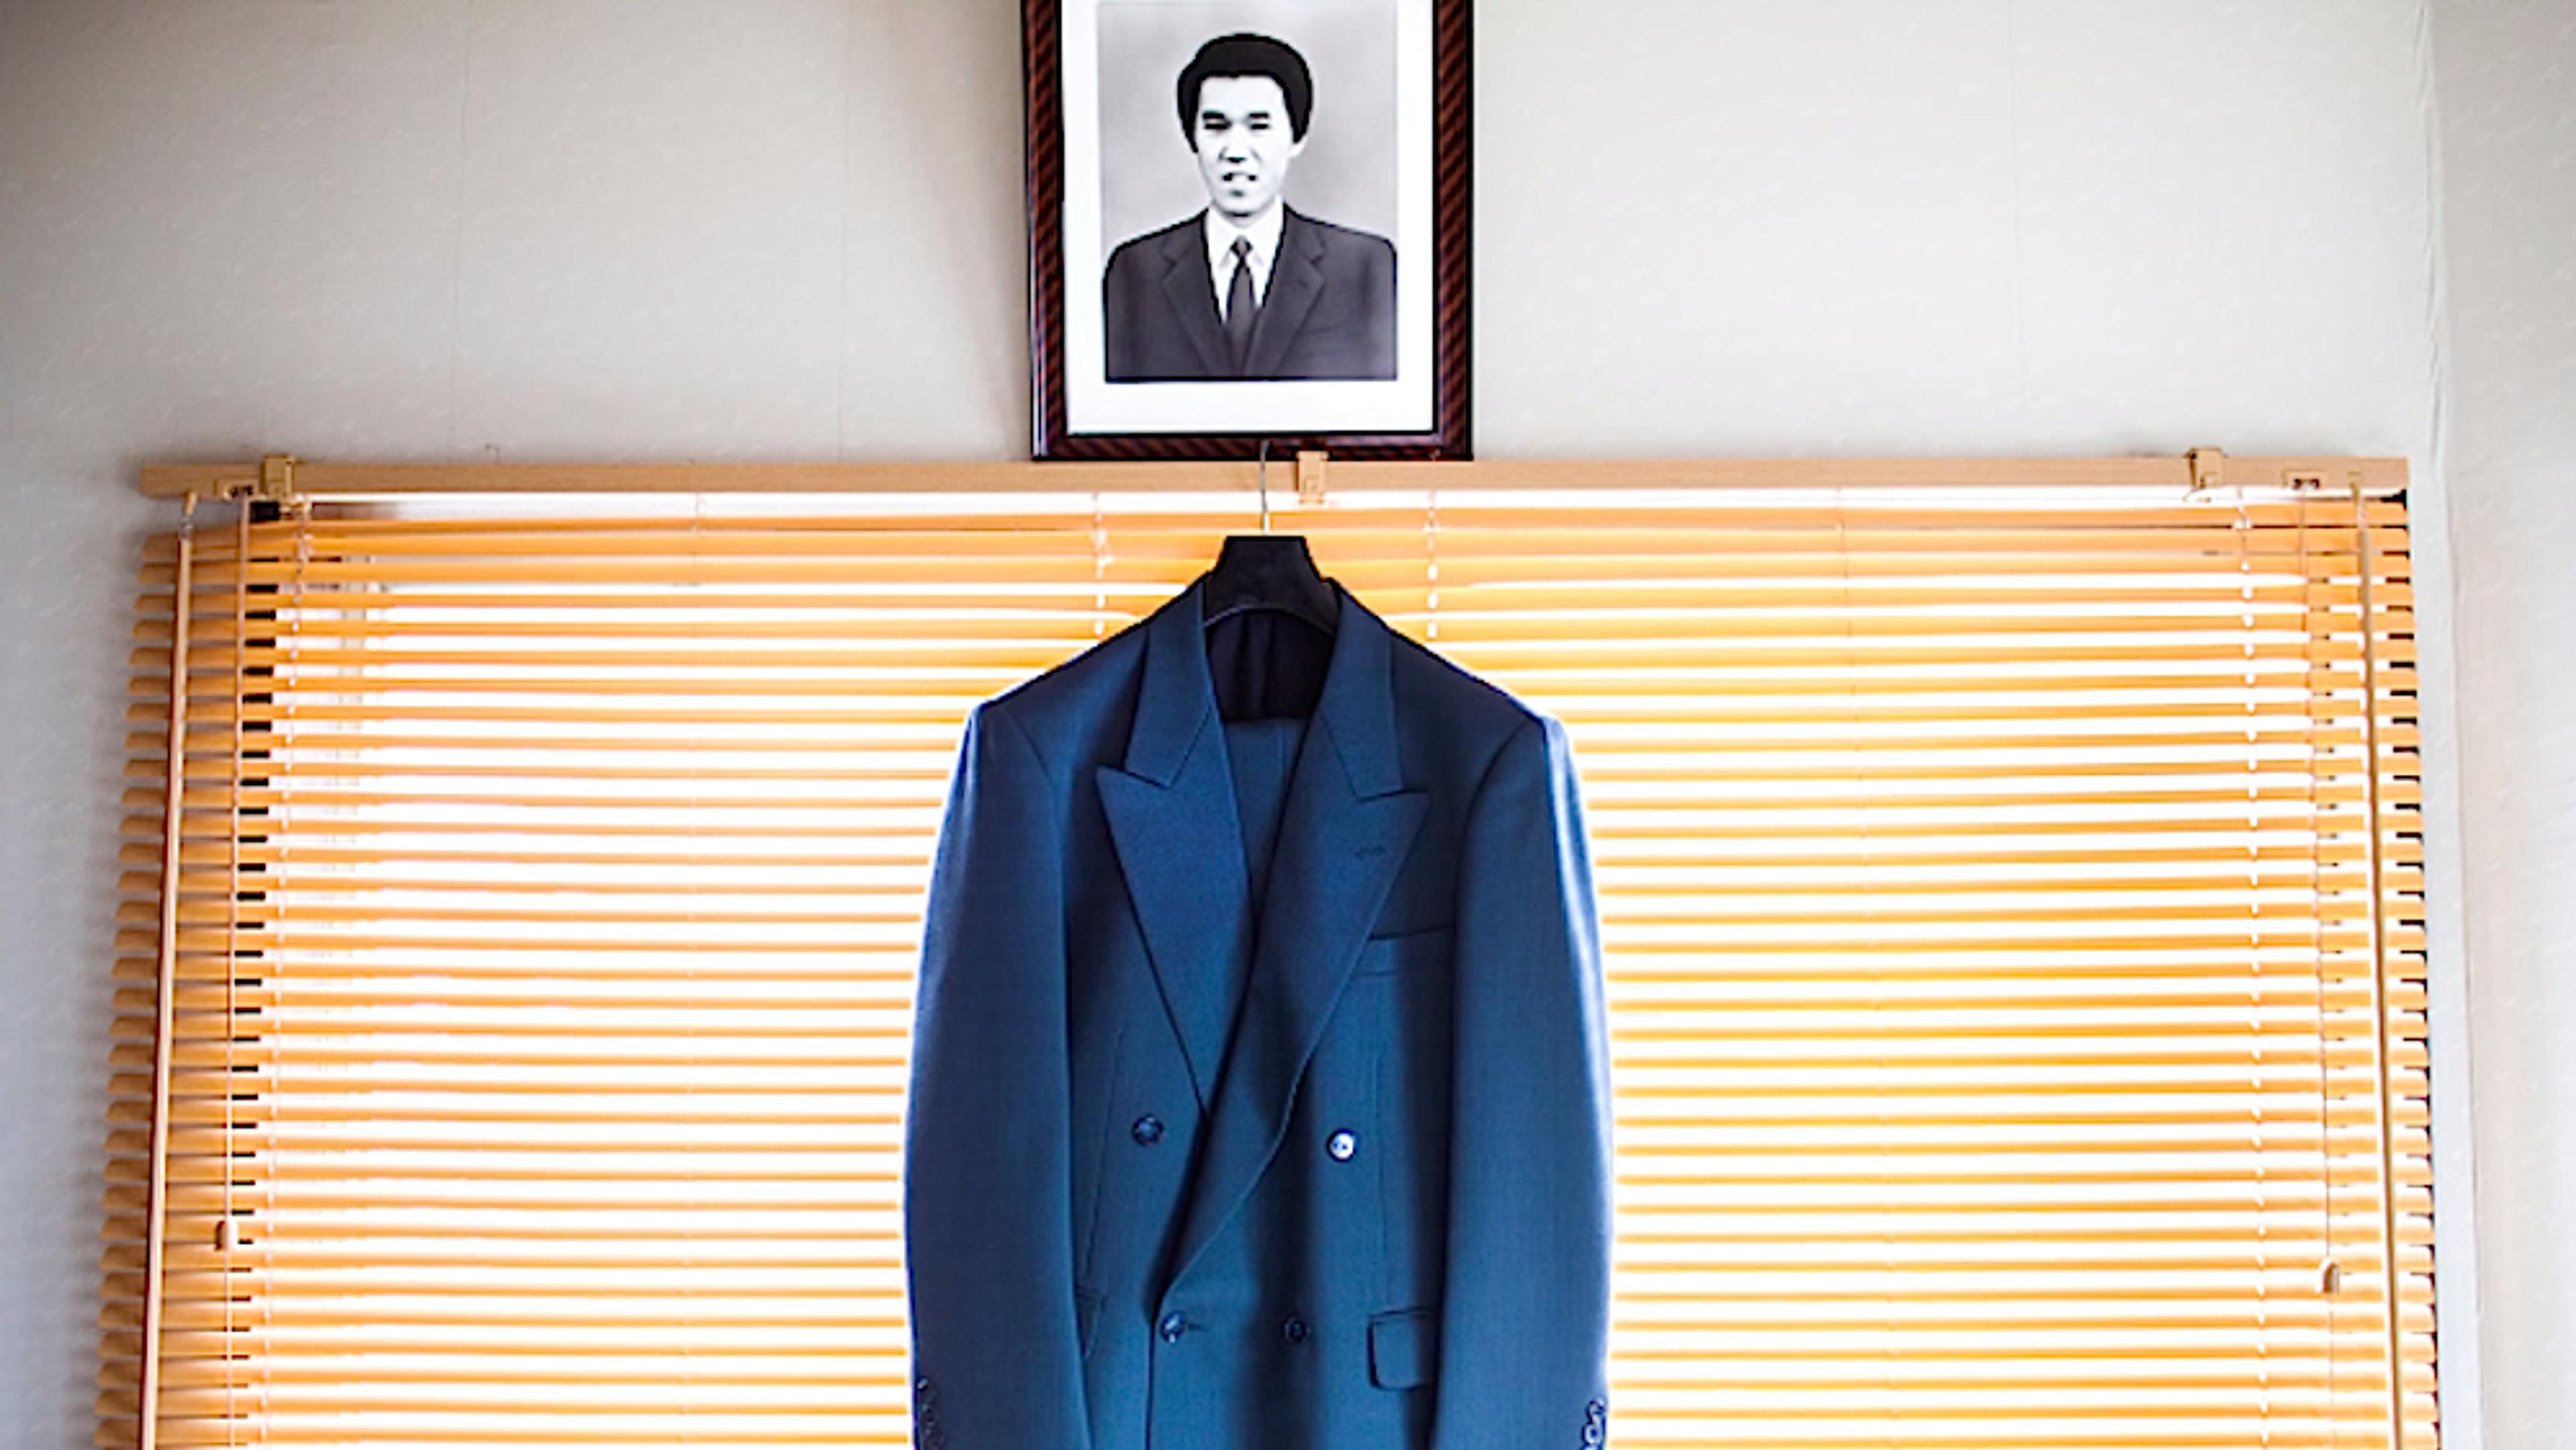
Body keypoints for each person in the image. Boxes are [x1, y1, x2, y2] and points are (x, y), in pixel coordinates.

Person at [1104, 32, 1397, 382]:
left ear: (1297, 137)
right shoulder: (1136, 271)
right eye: (1216, 127)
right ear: (1192, 138)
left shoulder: (1363, 268)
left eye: (1259, 126)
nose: (1236, 150)